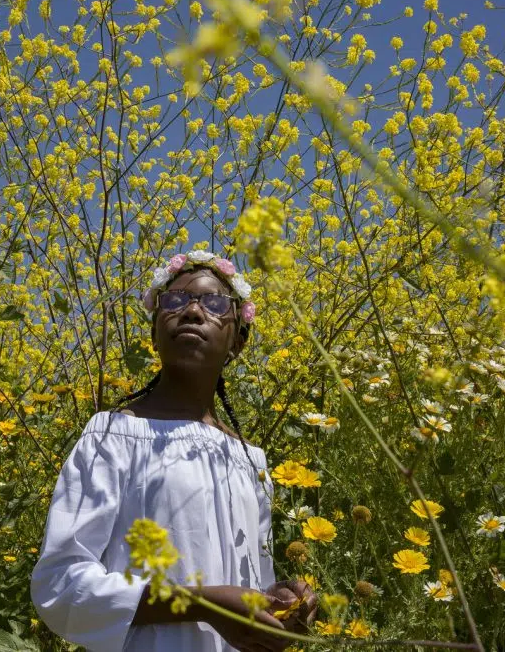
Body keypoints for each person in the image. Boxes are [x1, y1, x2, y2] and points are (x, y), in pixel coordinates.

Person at [30, 249, 318, 651]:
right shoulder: (112, 438)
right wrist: (201, 604)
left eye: (215, 303)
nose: (193, 311)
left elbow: (249, 589)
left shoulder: (250, 461)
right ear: (154, 333)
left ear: (237, 341)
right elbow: (62, 585)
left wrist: (281, 604)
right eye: (175, 300)